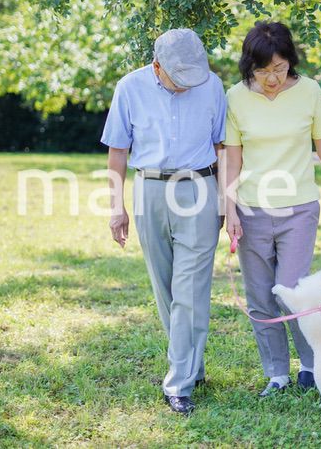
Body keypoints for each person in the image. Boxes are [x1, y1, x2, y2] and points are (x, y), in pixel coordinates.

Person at [223, 21, 321, 397]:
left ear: (291, 63)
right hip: (251, 210)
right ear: (249, 66)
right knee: (261, 296)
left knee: (299, 292)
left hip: (299, 209)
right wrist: (230, 209)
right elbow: (231, 159)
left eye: (280, 69)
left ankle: (310, 365)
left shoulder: (310, 92)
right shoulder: (235, 97)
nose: (272, 78)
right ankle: (276, 373)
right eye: (263, 71)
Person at [100, 28, 226, 415]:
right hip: (150, 190)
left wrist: (226, 201)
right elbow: (118, 151)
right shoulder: (129, 87)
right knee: (166, 289)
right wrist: (115, 206)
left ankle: (178, 383)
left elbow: (222, 145)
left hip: (200, 188)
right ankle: (192, 366)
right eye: (179, 76)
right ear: (157, 67)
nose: (189, 84)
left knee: (190, 289)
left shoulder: (214, 86)